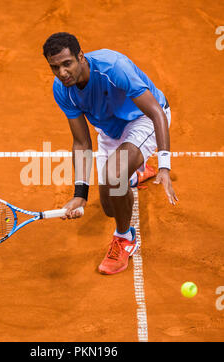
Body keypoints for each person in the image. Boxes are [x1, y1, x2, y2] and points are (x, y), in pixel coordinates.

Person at [43, 32, 178, 275]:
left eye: (67, 64)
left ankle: (124, 237)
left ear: (80, 57)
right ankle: (134, 172)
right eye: (55, 67)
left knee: (115, 175)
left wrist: (165, 166)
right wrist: (80, 193)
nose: (62, 73)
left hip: (142, 118)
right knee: (110, 207)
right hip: (110, 128)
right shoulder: (62, 90)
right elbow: (81, 142)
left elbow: (157, 113)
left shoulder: (113, 67)